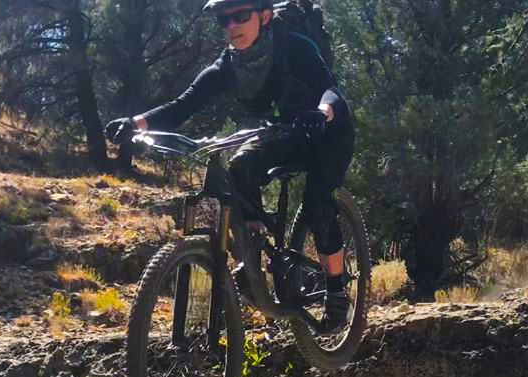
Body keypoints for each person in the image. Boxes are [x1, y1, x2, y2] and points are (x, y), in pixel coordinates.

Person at [106, 0, 355, 329]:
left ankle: (336, 292)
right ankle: (252, 256)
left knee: (318, 205)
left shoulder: (294, 47)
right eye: (225, 19)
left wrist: (321, 114)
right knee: (240, 168)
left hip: (328, 131)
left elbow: (331, 90)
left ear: (264, 16)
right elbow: (183, 105)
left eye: (241, 15)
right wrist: (135, 124)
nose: (232, 25)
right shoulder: (227, 65)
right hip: (285, 134)